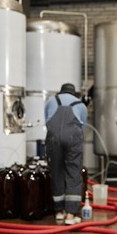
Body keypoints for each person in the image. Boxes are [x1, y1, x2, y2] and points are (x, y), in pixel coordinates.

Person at [44, 83, 88, 225]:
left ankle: (59, 212)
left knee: (56, 171)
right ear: (74, 94)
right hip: (73, 139)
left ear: (60, 92)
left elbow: (47, 121)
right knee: (73, 172)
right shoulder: (81, 105)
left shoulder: (51, 101)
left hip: (53, 138)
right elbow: (83, 128)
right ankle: (70, 214)